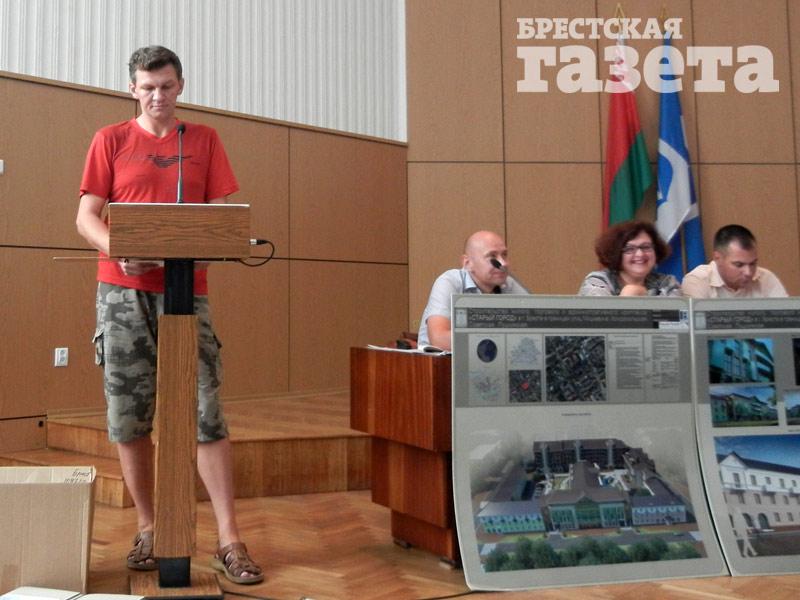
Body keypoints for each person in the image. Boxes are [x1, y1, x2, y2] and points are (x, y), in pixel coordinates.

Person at [75, 46, 263, 584]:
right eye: (147, 87)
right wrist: (118, 249)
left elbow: (221, 221)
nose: (157, 96)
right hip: (122, 294)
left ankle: (229, 538)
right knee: (128, 414)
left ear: (180, 86)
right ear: (132, 89)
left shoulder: (203, 140)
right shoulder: (110, 139)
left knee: (206, 411)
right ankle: (149, 528)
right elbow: (86, 216)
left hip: (186, 293)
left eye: (166, 86)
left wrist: (196, 247)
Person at [417, 231, 528, 350]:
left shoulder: (509, 284)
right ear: (468, 263)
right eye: (492, 256)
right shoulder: (450, 281)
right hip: (441, 360)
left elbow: (534, 329)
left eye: (504, 255)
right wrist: (498, 339)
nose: (503, 263)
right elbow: (439, 339)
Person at [681, 224, 788, 298]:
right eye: (739, 265)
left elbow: (786, 320)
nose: (748, 272)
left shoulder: (766, 278)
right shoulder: (698, 280)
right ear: (718, 258)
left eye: (753, 263)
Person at [578, 220, 681, 297]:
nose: (640, 254)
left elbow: (675, 317)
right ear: (617, 253)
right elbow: (601, 317)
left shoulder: (667, 283)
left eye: (646, 247)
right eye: (630, 249)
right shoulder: (597, 281)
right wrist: (628, 295)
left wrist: (641, 294)